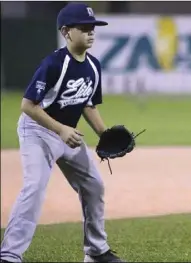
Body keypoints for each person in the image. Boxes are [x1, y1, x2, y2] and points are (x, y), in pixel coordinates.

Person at [0, 3, 124, 263]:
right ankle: (9, 255)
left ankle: (96, 252)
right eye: (84, 28)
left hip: (68, 134)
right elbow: (27, 106)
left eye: (93, 28)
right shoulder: (54, 63)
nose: (91, 33)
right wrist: (60, 129)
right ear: (67, 32)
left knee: (93, 186)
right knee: (34, 188)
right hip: (37, 130)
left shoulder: (93, 65)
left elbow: (87, 103)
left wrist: (104, 133)